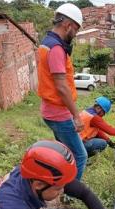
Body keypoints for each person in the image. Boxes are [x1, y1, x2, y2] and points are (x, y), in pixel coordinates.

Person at [37, 3, 87, 181]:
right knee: (80, 156)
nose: (75, 34)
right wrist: (76, 116)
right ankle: (70, 192)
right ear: (68, 25)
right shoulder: (56, 49)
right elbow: (61, 86)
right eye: (76, 30)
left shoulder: (47, 43)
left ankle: (58, 181)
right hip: (59, 114)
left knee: (64, 153)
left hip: (50, 110)